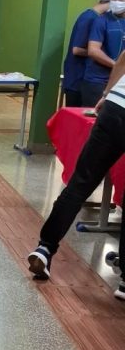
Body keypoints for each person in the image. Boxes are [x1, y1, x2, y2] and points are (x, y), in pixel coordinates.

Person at [28, 48, 125, 299]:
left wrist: (106, 95)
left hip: (116, 105)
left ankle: (45, 248)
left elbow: (123, 59)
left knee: (80, 183)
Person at [62, 0, 111, 107]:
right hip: (77, 78)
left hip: (82, 78)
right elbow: (76, 50)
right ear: (110, 1)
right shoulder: (90, 18)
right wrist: (99, 53)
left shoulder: (95, 17)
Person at [80, 0, 125, 107]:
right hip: (98, 81)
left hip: (120, 83)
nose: (117, 2)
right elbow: (93, 50)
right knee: (95, 115)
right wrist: (117, 66)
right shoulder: (102, 21)